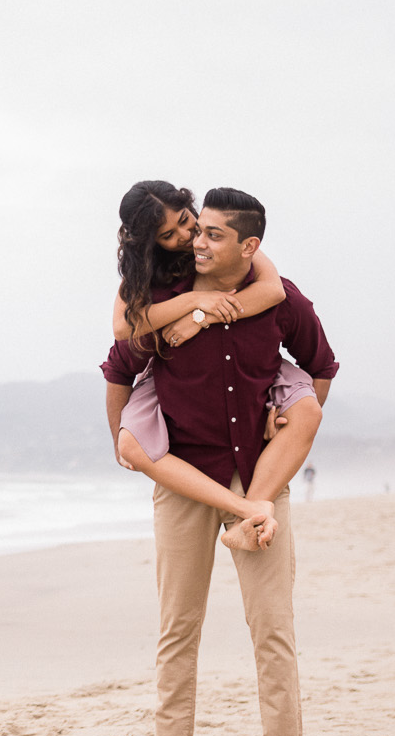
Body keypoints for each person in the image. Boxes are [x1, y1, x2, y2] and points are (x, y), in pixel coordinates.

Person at [102, 187, 340, 736]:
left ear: (247, 245)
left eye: (209, 232)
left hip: (257, 478)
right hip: (184, 477)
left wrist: (286, 413)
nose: (197, 241)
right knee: (178, 626)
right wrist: (121, 446)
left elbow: (321, 366)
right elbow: (118, 371)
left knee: (272, 624)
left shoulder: (279, 297)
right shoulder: (160, 295)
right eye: (190, 232)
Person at [106, 180, 324, 550]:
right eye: (168, 234)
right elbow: (122, 331)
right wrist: (195, 300)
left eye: (186, 221)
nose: (186, 236)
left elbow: (273, 292)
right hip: (178, 414)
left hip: (249, 429)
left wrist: (202, 317)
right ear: (148, 241)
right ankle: (248, 509)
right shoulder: (149, 274)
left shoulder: (228, 246)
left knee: (307, 410)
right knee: (130, 445)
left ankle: (251, 508)